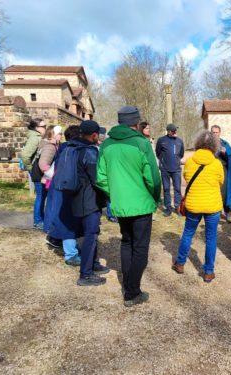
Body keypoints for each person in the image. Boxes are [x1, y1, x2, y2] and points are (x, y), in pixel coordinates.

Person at [97, 106, 161, 307]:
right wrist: (155, 197)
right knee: (140, 248)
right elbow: (152, 177)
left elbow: (101, 178)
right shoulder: (142, 143)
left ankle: (128, 284)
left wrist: (115, 194)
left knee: (127, 242)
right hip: (141, 204)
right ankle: (132, 292)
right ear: (136, 123)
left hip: (121, 204)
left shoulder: (106, 145)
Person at [172, 131, 224, 282]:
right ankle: (208, 271)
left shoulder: (189, 161)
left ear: (198, 143)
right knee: (211, 238)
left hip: (194, 204)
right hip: (212, 205)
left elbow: (187, 177)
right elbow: (220, 182)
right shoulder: (217, 164)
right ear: (214, 146)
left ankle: (180, 263)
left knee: (188, 233)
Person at [71, 120, 109, 286]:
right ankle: (85, 274)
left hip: (77, 197)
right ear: (94, 135)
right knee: (91, 236)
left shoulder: (72, 146)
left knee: (92, 233)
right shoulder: (89, 152)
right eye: (97, 134)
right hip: (89, 200)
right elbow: (97, 179)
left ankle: (93, 263)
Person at [44, 125, 84, 265]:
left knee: (64, 219)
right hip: (68, 189)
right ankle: (71, 254)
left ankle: (60, 241)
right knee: (68, 221)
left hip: (60, 187)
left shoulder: (63, 149)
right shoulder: (74, 150)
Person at [20, 118, 46, 230]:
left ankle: (40, 219)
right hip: (36, 171)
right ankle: (37, 221)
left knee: (42, 196)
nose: (45, 128)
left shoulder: (35, 136)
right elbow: (25, 155)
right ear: (37, 128)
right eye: (43, 126)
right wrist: (30, 168)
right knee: (40, 196)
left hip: (37, 170)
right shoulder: (35, 138)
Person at [156, 123, 184, 216]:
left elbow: (181, 154)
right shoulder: (161, 140)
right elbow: (158, 152)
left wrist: (176, 160)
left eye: (176, 130)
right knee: (166, 189)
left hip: (176, 169)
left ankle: (177, 207)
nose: (175, 132)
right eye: (173, 130)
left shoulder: (180, 141)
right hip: (165, 169)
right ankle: (168, 207)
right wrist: (163, 162)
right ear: (168, 131)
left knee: (177, 189)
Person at [211, 125, 231, 223]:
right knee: (214, 192)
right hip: (211, 171)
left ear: (220, 133)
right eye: (213, 132)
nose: (215, 134)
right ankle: (215, 213)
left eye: (217, 132)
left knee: (224, 192)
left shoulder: (225, 144)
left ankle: (228, 212)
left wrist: (225, 153)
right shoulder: (208, 144)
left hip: (223, 170)